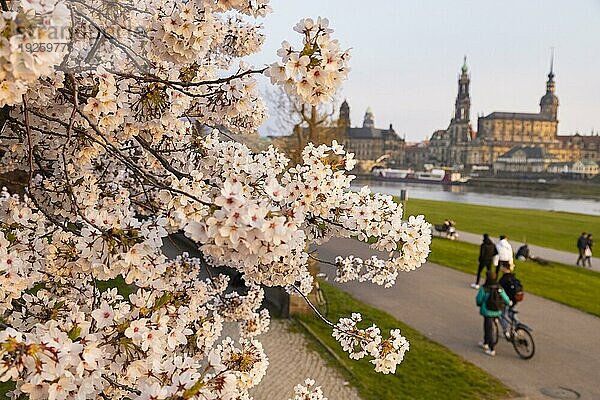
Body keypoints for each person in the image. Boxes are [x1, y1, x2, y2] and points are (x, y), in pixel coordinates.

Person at [476, 271, 510, 357]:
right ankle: (485, 342)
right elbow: (506, 299)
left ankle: (491, 348)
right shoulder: (499, 288)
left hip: (487, 311)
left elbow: (479, 300)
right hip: (497, 310)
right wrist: (507, 303)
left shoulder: (484, 288)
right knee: (490, 327)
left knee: (488, 329)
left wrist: (480, 304)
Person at [498, 264, 520, 338]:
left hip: (506, 300)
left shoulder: (503, 279)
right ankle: (518, 327)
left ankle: (506, 331)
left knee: (502, 315)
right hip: (514, 300)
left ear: (505, 268)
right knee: (511, 314)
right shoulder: (513, 277)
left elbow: (499, 291)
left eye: (502, 267)